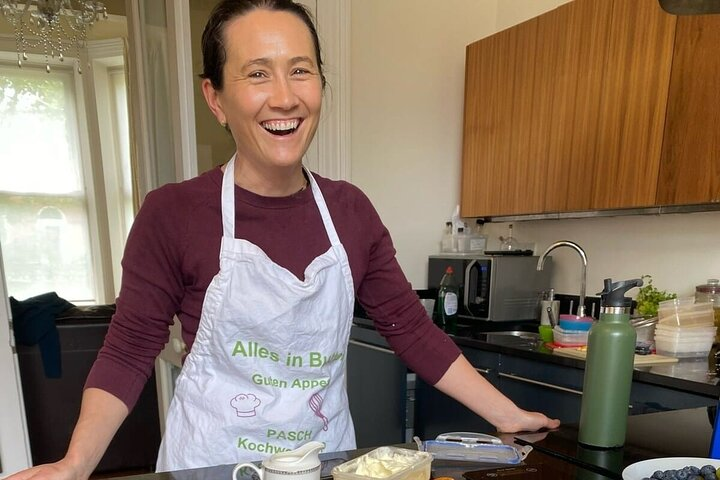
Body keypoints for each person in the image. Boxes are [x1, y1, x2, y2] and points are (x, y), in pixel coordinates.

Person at [7, 0, 560, 478]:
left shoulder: (351, 211)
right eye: (257, 74)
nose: (284, 97)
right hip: (212, 466)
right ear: (216, 97)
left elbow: (410, 328)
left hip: (323, 461)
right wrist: (75, 464)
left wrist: (505, 415)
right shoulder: (173, 213)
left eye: (300, 70)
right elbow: (128, 349)